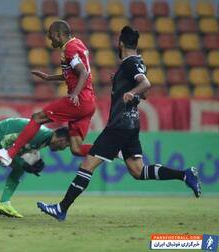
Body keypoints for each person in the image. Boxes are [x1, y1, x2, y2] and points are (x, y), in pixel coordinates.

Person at [36, 26, 202, 221]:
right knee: (137, 170)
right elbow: (146, 94)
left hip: (119, 125)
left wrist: (131, 92)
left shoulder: (130, 63)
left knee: (87, 164)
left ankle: (61, 208)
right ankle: (185, 175)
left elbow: (145, 85)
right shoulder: (138, 62)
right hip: (132, 124)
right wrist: (126, 85)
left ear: (120, 43)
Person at [0, 20, 96, 166]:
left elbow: (83, 72)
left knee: (38, 118)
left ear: (57, 35)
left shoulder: (69, 49)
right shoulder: (78, 43)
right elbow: (76, 72)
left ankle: (9, 154)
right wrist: (49, 78)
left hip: (79, 100)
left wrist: (75, 93)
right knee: (76, 149)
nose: (49, 40)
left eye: (50, 36)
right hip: (89, 102)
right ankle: (114, 150)